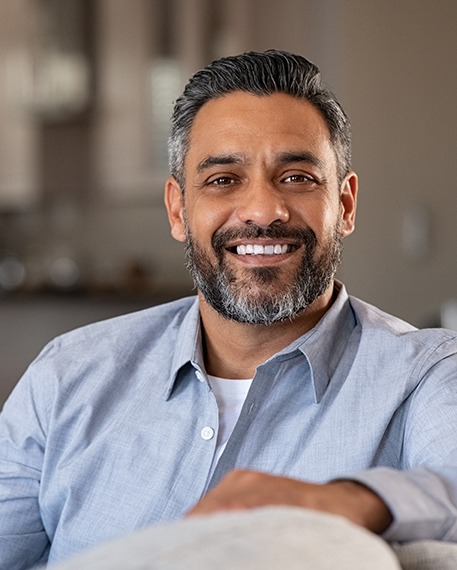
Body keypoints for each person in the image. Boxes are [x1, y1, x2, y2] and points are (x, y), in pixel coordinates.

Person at [1, 49, 457, 570]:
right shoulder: (67, 375)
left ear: (346, 205)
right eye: (223, 179)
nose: (263, 211)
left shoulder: (429, 374)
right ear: (178, 208)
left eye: (297, 177)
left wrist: (350, 500)